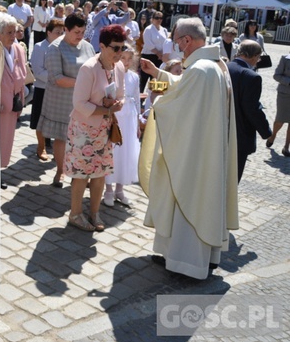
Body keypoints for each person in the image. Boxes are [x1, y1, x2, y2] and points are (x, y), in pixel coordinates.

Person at [139, 17, 239, 279]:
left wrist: (156, 105)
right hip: (204, 148)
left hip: (195, 154)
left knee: (189, 197)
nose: (178, 48)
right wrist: (158, 75)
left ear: (187, 40)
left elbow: (180, 107)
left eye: (178, 43)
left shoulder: (200, 70)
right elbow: (183, 90)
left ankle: (187, 263)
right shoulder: (212, 66)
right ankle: (194, 259)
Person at [65, 25, 125, 232]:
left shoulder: (119, 67)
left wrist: (119, 104)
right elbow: (79, 103)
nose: (119, 53)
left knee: (100, 173)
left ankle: (94, 212)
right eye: (115, 48)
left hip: (104, 129)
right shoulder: (89, 68)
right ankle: (75, 213)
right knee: (81, 173)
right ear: (101, 46)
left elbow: (121, 95)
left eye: (122, 48)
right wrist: (105, 109)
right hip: (84, 129)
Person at [37, 12, 96, 188]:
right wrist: (84, 82)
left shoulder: (87, 46)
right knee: (62, 138)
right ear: (66, 30)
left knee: (81, 138)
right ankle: (60, 171)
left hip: (83, 100)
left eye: (83, 32)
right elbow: (57, 78)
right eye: (76, 32)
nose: (80, 36)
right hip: (61, 99)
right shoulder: (55, 48)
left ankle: (78, 173)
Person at [227, 41, 272, 182]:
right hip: (239, 135)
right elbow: (251, 109)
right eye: (258, 58)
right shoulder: (252, 76)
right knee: (232, 179)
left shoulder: (224, 67)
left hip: (217, 130)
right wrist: (266, 132)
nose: (258, 61)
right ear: (255, 56)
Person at [0, 13, 26, 184]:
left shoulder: (19, 49)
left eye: (15, 32)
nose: (14, 36)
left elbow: (22, 73)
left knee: (6, 141)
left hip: (12, 104)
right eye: (9, 33)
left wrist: (20, 100)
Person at [106, 46, 140, 207]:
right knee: (114, 151)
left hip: (130, 118)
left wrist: (138, 123)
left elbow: (137, 99)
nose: (126, 62)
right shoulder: (113, 74)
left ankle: (120, 189)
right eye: (123, 58)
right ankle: (108, 189)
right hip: (117, 116)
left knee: (126, 152)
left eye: (129, 59)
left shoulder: (134, 77)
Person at [30, 18, 64, 162]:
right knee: (40, 119)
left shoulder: (62, 48)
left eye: (62, 32)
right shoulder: (40, 47)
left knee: (56, 119)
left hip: (58, 90)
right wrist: (56, 80)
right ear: (48, 32)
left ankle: (58, 150)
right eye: (57, 32)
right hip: (43, 88)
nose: (60, 35)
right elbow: (37, 71)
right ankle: (41, 147)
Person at [266, 51, 290, 157]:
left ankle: (286, 147)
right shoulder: (285, 59)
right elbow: (276, 75)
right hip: (285, 93)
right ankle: (273, 135)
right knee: (280, 119)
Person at [139, 11, 168, 92]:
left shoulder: (164, 30)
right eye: (157, 18)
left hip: (159, 57)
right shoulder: (148, 29)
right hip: (148, 55)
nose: (159, 20)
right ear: (152, 19)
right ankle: (140, 98)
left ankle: (154, 97)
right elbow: (148, 43)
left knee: (156, 77)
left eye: (161, 18)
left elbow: (166, 42)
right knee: (144, 78)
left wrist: (162, 55)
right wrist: (158, 53)